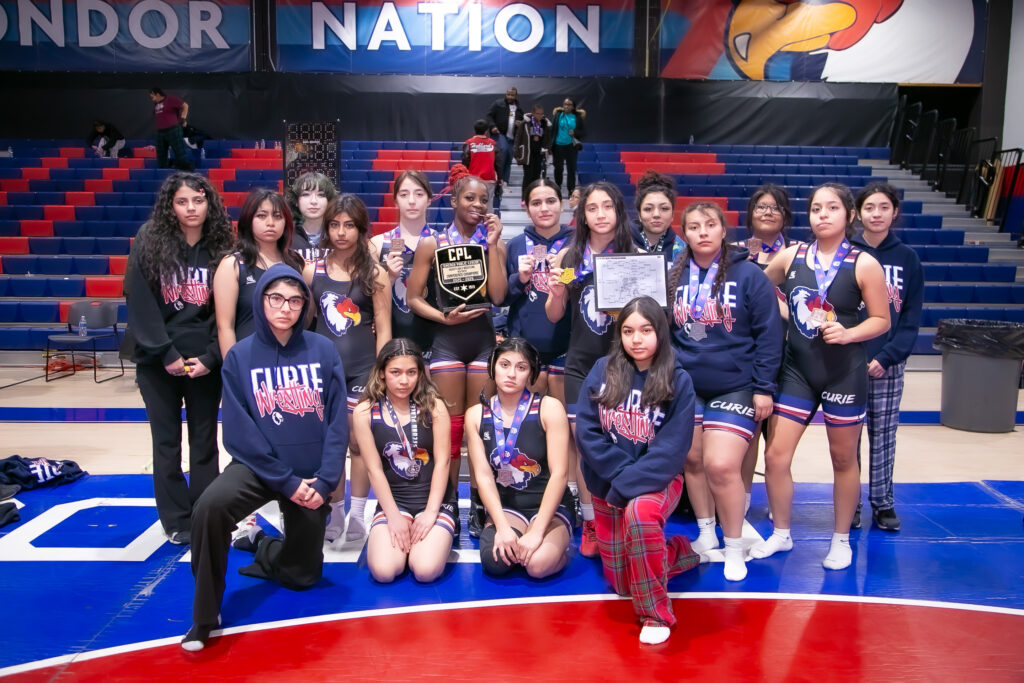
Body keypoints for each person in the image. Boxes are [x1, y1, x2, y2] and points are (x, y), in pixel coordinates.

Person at [183, 265, 348, 651]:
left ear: (304, 305)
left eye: (295, 300)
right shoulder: (240, 356)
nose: (285, 308)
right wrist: (285, 482)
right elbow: (238, 432)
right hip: (257, 468)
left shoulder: (323, 350)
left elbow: (337, 421)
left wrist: (325, 480)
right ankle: (205, 615)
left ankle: (262, 544)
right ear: (261, 300)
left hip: (310, 474)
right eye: (276, 298)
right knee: (209, 507)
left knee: (303, 576)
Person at [752, 183, 890, 570]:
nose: (823, 215)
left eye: (832, 208)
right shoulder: (791, 256)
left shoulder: (863, 263)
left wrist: (849, 333)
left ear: (849, 215)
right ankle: (781, 533)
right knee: (776, 456)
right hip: (798, 370)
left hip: (843, 372)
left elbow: (882, 319)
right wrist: (785, 313)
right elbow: (758, 287)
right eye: (816, 209)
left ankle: (841, 539)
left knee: (843, 458)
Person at [667, 202, 783, 581]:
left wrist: (764, 387)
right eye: (694, 226)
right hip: (687, 384)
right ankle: (705, 535)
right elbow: (664, 331)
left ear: (722, 230)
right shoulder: (673, 275)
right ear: (684, 233)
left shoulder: (749, 275)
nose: (702, 232)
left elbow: (769, 334)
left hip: (736, 385)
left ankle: (733, 546)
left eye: (710, 225)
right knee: (693, 460)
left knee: (720, 465)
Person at [574, 296, 700, 645]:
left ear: (660, 332)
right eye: (628, 331)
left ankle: (656, 616)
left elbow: (671, 450)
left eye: (646, 330)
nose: (636, 339)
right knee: (623, 584)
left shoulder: (678, 380)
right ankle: (677, 551)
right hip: (608, 482)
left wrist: (628, 485)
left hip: (657, 481)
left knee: (640, 513)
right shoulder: (602, 370)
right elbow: (587, 434)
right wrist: (620, 480)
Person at [124, 171, 234, 545]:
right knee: (166, 443)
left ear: (209, 204)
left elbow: (228, 310)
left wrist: (212, 357)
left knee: (204, 441)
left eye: (198, 201)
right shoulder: (149, 239)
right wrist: (165, 352)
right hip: (157, 362)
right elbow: (139, 300)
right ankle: (175, 520)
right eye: (182, 201)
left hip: (205, 361)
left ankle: (203, 513)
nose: (191, 208)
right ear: (170, 206)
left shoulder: (222, 244)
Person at [406, 165, 508, 537]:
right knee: (449, 430)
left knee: (481, 429)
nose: (477, 204)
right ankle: (447, 499)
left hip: (482, 340)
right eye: (469, 198)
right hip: (446, 341)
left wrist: (493, 245)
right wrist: (442, 318)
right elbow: (413, 297)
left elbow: (498, 296)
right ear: (453, 200)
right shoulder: (432, 243)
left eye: (484, 199)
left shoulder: (493, 243)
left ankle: (482, 503)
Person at [545, 181, 636, 557]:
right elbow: (555, 314)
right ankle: (592, 521)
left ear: (618, 211)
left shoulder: (633, 255)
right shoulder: (569, 258)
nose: (600, 214)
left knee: (624, 442)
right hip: (581, 365)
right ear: (582, 215)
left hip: (624, 365)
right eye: (592, 208)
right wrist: (555, 293)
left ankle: (624, 515)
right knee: (584, 445)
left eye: (607, 207)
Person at [305, 194, 392, 543]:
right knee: (330, 444)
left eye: (349, 225)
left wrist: (381, 373)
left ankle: (357, 513)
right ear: (327, 228)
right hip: (322, 371)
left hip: (362, 370)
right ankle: (336, 511)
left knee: (359, 442)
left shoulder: (375, 273)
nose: (341, 232)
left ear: (361, 228)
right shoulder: (312, 270)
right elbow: (306, 323)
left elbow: (383, 327)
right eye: (335, 225)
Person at [465, 338, 573, 578]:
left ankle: (561, 547)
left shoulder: (549, 408)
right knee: (495, 563)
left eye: (521, 367)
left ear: (531, 373)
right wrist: (502, 528)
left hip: (548, 507)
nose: (511, 374)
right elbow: (483, 477)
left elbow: (560, 474)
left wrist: (537, 532)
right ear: (492, 367)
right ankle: (509, 533)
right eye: (504, 365)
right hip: (508, 508)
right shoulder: (475, 415)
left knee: (537, 566)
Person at [852, 181, 923, 532]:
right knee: (847, 438)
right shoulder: (846, 252)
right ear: (857, 213)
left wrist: (887, 357)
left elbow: (910, 319)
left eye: (884, 207)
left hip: (887, 364)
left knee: (883, 436)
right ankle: (849, 503)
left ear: (895, 212)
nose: (876, 214)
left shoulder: (908, 259)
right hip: (847, 361)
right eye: (869, 207)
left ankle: (882, 502)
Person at [353, 339, 455, 583]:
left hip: (435, 502)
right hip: (395, 503)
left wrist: (431, 513)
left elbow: (443, 462)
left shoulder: (434, 407)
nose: (404, 380)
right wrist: (394, 517)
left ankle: (436, 536)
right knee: (383, 571)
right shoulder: (364, 412)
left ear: (420, 374)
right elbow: (374, 470)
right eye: (395, 372)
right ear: (381, 373)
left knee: (425, 570)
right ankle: (408, 539)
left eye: (411, 372)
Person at [738, 184, 795, 516]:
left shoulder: (800, 254)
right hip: (749, 354)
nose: (768, 212)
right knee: (749, 433)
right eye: (761, 206)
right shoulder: (735, 252)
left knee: (779, 437)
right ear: (751, 213)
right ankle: (742, 499)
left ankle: (777, 501)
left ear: (786, 214)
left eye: (775, 207)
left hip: (790, 355)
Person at [213, 189, 305, 359]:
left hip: (290, 359)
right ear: (249, 220)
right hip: (248, 359)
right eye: (262, 216)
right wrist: (233, 367)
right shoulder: (232, 264)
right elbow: (225, 327)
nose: (270, 223)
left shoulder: (296, 264)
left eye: (277, 216)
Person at [370, 170, 437, 359]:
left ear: (429, 200)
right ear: (395, 201)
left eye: (419, 194)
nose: (412, 201)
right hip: (392, 340)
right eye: (404, 194)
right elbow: (367, 301)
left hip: (435, 342)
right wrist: (389, 278)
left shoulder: (441, 242)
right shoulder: (377, 244)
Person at [631, 170, 685, 263]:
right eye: (648, 209)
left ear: (672, 215)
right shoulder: (623, 243)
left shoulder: (681, 249)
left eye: (664, 208)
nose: (656, 214)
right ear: (639, 215)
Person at [286, 172, 338, 263]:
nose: (313, 201)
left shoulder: (339, 235)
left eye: (321, 195)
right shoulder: (285, 235)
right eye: (306, 194)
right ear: (296, 201)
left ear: (329, 201)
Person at [486, 86, 523, 191]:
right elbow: (489, 116)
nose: (510, 97)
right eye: (508, 94)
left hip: (512, 137)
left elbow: (522, 121)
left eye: (512, 95)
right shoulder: (498, 104)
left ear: (516, 96)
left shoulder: (519, 109)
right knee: (503, 151)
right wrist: (493, 126)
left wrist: (520, 123)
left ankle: (505, 181)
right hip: (500, 134)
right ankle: (498, 178)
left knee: (509, 157)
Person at [514, 104, 552, 202]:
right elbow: (518, 138)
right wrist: (516, 153)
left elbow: (548, 138)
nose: (540, 116)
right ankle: (524, 198)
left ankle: (534, 197)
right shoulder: (525, 123)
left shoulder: (544, 124)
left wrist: (547, 149)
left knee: (536, 177)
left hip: (539, 153)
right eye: (537, 114)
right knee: (528, 176)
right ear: (533, 113)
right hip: (527, 154)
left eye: (541, 114)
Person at [149, 87, 191, 170]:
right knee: (161, 154)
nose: (151, 98)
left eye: (152, 96)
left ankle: (184, 171)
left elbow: (185, 106)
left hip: (173, 130)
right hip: (160, 132)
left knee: (179, 152)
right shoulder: (156, 105)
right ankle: (162, 171)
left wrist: (183, 118)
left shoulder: (171, 99)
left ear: (157, 94)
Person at [551, 98, 586, 197]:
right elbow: (553, 129)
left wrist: (575, 132)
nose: (566, 106)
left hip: (571, 146)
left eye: (569, 104)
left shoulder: (577, 117)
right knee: (558, 168)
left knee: (571, 169)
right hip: (558, 145)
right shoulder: (558, 115)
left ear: (573, 106)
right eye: (565, 104)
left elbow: (583, 132)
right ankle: (558, 187)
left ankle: (571, 190)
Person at [462, 120, 500, 210]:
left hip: (472, 179)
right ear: (486, 131)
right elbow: (498, 162)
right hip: (489, 178)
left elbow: (465, 161)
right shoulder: (493, 143)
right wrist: (500, 177)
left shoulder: (469, 143)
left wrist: (464, 176)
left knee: (472, 203)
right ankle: (488, 219)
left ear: (474, 130)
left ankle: (473, 219)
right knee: (488, 204)